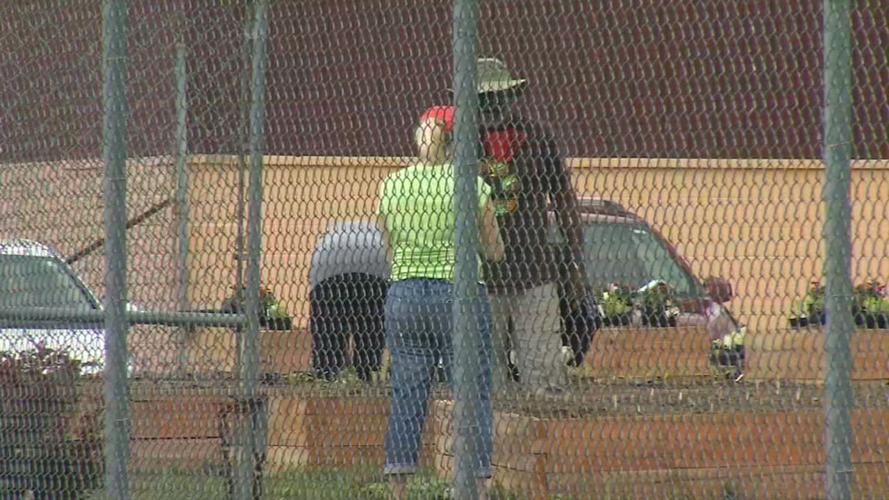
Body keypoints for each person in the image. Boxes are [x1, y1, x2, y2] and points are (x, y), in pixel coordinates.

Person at [378, 105, 504, 498]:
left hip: (406, 294)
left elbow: (389, 246)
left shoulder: (392, 186)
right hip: (458, 294)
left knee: (408, 388)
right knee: (471, 388)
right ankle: (477, 483)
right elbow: (495, 249)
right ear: (456, 142)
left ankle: (399, 484)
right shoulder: (471, 184)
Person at [472, 57, 589, 396]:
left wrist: (575, 259)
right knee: (484, 376)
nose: (493, 105)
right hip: (481, 275)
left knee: (543, 370)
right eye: (484, 98)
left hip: (533, 270)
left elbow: (564, 198)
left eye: (498, 97)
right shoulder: (460, 142)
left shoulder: (537, 138)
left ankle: (548, 439)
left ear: (512, 96)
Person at [308, 220, 389, 382]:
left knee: (328, 336)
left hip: (327, 271)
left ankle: (328, 373)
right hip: (373, 270)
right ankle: (368, 372)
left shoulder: (332, 234)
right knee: (371, 332)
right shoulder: (382, 236)